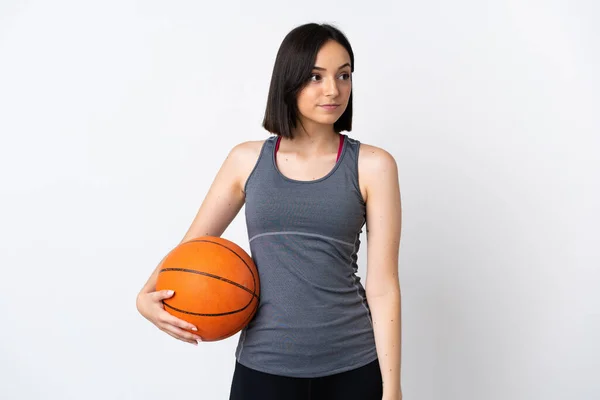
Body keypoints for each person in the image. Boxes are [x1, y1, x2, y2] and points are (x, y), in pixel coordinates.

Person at [136, 22, 402, 400]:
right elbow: (191, 249)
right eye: (315, 76)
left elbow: (383, 286)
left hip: (352, 365)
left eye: (344, 75)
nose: (333, 89)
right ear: (288, 81)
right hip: (263, 367)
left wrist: (391, 390)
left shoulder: (373, 166)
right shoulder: (246, 161)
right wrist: (145, 296)